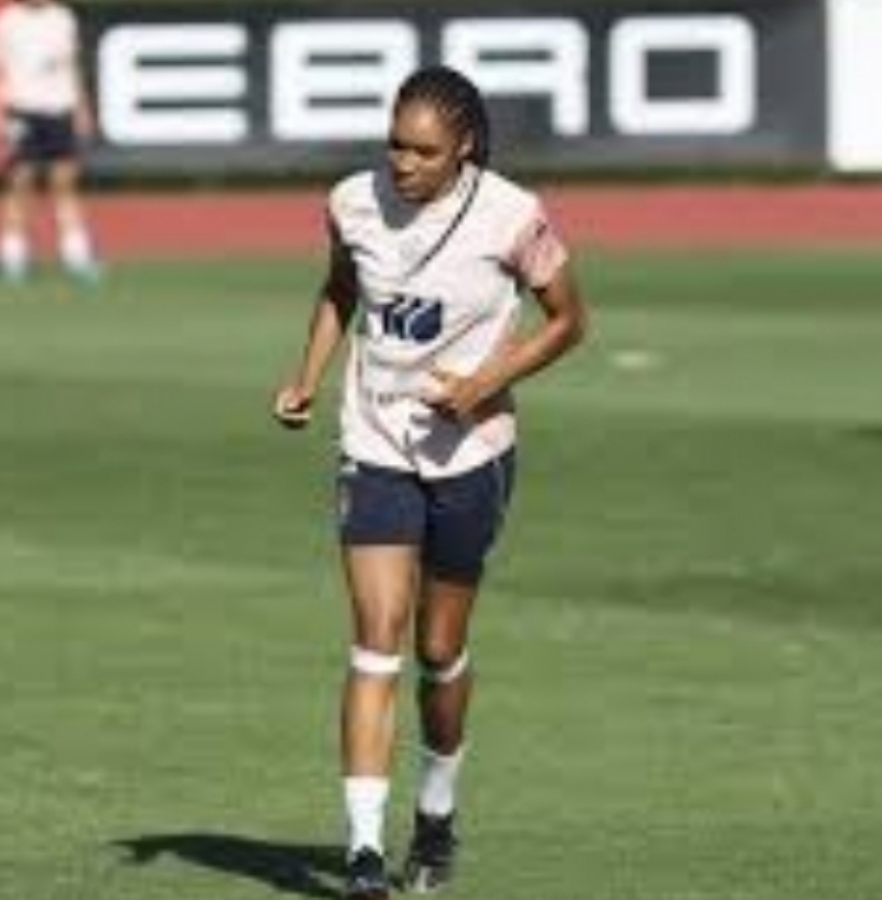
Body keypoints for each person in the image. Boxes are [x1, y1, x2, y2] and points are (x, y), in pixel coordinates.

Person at [273, 65, 588, 900]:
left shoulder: (512, 215)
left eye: (423, 151)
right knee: (377, 631)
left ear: (465, 149)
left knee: (438, 649)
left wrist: (484, 383)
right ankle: (366, 854)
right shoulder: (350, 201)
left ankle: (437, 816)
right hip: (373, 439)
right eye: (394, 145)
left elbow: (569, 320)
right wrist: (307, 375)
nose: (402, 163)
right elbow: (343, 288)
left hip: (472, 450)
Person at [0, 0, 99, 282]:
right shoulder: (8, 21)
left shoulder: (62, 17)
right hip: (23, 109)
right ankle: (12, 255)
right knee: (19, 183)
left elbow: (70, 65)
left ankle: (76, 255)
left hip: (59, 108)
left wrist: (82, 107)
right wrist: (0, 114)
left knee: (64, 183)